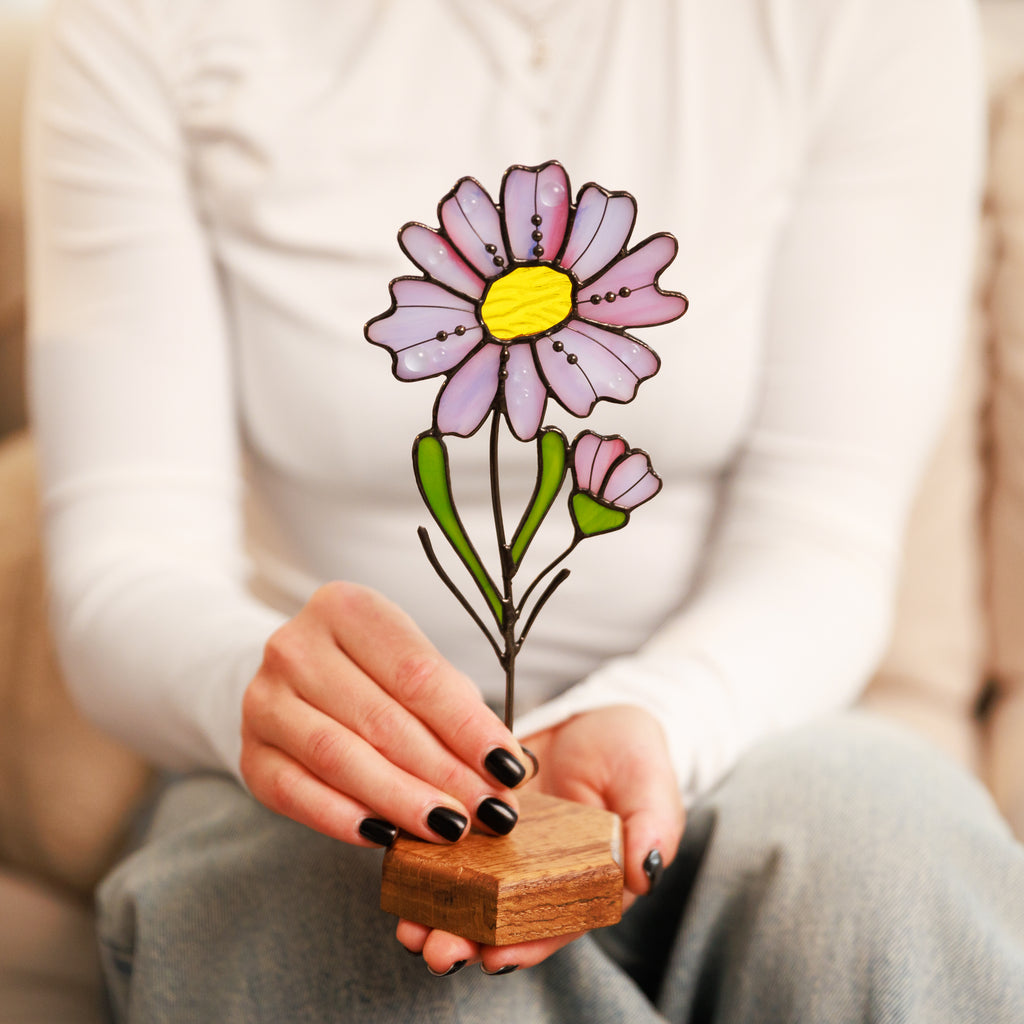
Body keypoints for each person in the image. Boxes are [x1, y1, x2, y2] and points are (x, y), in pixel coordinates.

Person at [25, 0, 1024, 1020]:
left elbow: (823, 535)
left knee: (891, 867)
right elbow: (125, 560)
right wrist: (280, 699)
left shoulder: (864, 21)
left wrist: (652, 717)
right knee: (337, 941)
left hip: (745, 724)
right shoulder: (138, 27)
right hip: (332, 799)